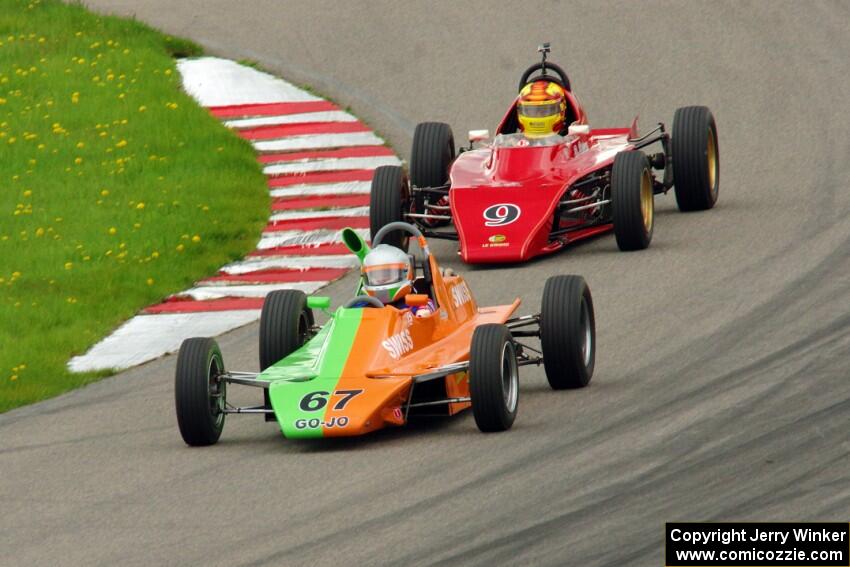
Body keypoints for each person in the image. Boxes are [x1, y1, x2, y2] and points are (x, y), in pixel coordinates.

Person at [361, 244, 435, 317]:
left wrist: (423, 312)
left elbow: (427, 304)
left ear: (405, 273)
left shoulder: (414, 302)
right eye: (377, 276)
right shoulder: (361, 305)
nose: (382, 279)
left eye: (387, 274)